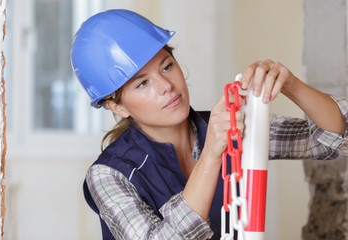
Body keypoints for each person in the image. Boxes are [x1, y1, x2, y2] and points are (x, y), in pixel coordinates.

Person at [71, 9, 348, 240]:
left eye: (167, 66)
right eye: (142, 83)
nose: (167, 86)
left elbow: (331, 139)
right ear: (117, 106)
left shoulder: (230, 125)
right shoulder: (109, 176)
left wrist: (291, 85)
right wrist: (212, 153)